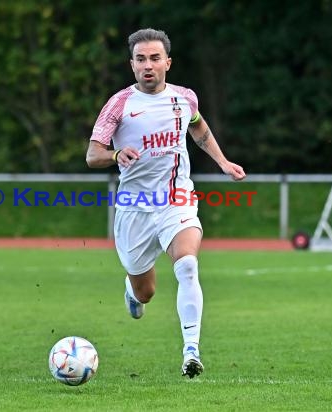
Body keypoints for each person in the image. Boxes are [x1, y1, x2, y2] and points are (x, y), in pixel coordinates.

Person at [85, 28, 246, 379]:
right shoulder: (119, 104)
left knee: (187, 265)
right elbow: (92, 155)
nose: (148, 65)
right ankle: (133, 290)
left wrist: (222, 162)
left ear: (167, 63)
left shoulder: (184, 99)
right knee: (146, 292)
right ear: (132, 65)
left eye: (155, 58)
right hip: (135, 208)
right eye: (141, 59)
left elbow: (198, 129)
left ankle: (191, 350)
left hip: (177, 198)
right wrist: (115, 153)